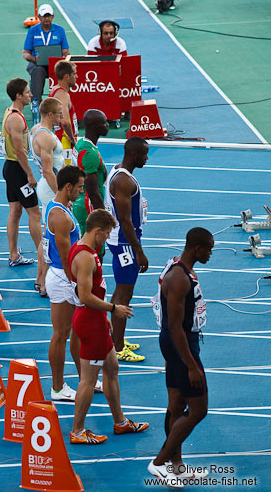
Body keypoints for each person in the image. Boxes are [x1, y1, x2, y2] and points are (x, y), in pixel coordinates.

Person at [68, 209, 149, 444]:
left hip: (97, 321)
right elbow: (84, 296)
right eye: (106, 234)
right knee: (88, 380)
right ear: (97, 231)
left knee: (112, 369)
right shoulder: (84, 257)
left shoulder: (86, 251)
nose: (106, 239)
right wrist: (113, 309)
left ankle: (121, 422)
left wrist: (105, 318)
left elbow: (93, 290)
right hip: (90, 323)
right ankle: (78, 430)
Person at [147, 228, 213, 487]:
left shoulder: (177, 265)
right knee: (198, 410)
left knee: (176, 405)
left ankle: (177, 466)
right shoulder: (179, 278)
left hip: (176, 343)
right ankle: (159, 462)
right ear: (196, 247)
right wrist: (190, 366)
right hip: (181, 344)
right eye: (209, 248)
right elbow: (174, 326)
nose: (210, 253)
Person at [105, 136, 149, 362]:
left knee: (119, 291)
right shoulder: (123, 182)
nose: (147, 158)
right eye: (144, 154)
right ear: (133, 154)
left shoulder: (117, 171)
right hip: (124, 244)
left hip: (122, 241)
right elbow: (124, 220)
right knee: (125, 294)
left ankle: (115, 338)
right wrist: (138, 251)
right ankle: (118, 348)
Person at [43, 166, 85, 401]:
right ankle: (57, 388)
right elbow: (65, 254)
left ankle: (85, 379)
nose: (81, 191)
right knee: (61, 334)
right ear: (68, 187)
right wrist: (77, 284)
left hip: (62, 275)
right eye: (79, 187)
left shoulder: (59, 206)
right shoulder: (59, 217)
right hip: (63, 278)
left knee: (77, 332)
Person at [0, 78, 42, 267]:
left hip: (10, 167)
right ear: (18, 95)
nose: (30, 95)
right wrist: (30, 175)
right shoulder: (16, 118)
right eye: (27, 92)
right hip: (17, 169)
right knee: (34, 212)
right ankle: (43, 254)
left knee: (15, 211)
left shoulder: (9, 111)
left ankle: (13, 254)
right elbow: (19, 151)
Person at [29, 97, 64, 295]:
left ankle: (40, 279)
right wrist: (61, 194)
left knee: (46, 237)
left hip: (50, 187)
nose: (61, 117)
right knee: (49, 238)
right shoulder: (46, 137)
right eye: (58, 113)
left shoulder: (37, 130)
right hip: (51, 188)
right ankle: (43, 283)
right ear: (50, 114)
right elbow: (49, 171)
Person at [72, 109, 109, 252]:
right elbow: (93, 192)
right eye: (104, 123)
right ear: (94, 127)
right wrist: (105, 217)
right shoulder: (89, 154)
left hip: (82, 203)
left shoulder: (81, 143)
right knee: (94, 250)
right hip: (89, 205)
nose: (107, 125)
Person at [22, 4, 69, 107]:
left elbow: (66, 51)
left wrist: (64, 58)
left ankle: (62, 101)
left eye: (49, 16)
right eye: (44, 16)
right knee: (37, 71)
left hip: (56, 64)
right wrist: (33, 58)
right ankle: (36, 103)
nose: (46, 19)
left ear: (52, 16)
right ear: (39, 17)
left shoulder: (60, 30)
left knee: (66, 71)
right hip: (38, 64)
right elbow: (25, 53)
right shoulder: (33, 31)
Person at [49, 60, 78, 165]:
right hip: (65, 143)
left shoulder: (54, 90)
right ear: (66, 76)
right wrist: (72, 140)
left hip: (60, 141)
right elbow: (65, 121)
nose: (77, 77)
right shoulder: (62, 94)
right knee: (67, 177)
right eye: (74, 74)